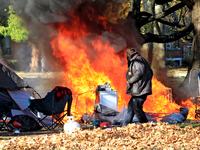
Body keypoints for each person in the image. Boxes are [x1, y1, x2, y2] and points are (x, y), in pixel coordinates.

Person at [122, 48, 153, 126]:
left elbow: (139, 72)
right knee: (130, 108)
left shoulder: (137, 60)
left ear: (129, 55)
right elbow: (150, 73)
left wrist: (130, 81)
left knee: (137, 109)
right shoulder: (139, 60)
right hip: (138, 90)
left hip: (139, 90)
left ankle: (146, 126)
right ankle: (124, 126)